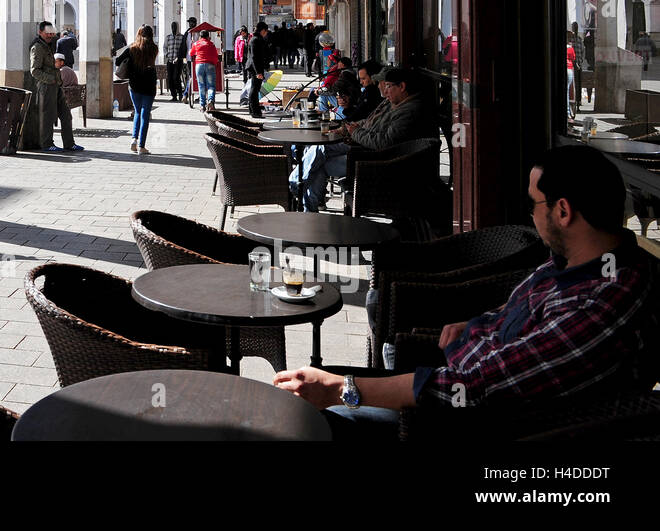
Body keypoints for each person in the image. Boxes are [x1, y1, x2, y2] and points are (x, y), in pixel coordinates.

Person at [275, 145, 660, 441]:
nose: (530, 214)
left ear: (563, 211)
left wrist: (341, 388)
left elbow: (470, 388)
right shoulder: (579, 260)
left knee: (298, 420)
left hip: (458, 424)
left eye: (533, 203)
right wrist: (472, 326)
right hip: (453, 383)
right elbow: (510, 318)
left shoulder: (601, 303)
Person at [289, 66, 438, 212]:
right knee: (319, 149)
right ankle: (308, 207)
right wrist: (350, 127)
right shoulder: (393, 102)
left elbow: (383, 143)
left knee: (319, 158)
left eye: (388, 86)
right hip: (361, 146)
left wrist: (355, 132)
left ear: (402, 87)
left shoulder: (409, 111)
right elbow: (368, 122)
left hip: (372, 160)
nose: (385, 90)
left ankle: (299, 192)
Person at [28, 21, 83, 153]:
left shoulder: (50, 44)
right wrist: (51, 79)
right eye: (47, 33)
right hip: (46, 86)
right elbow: (34, 70)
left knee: (66, 115)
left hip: (56, 85)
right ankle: (47, 144)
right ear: (40, 32)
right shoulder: (38, 47)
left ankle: (69, 143)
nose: (50, 35)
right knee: (48, 116)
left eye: (51, 33)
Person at [117, 25, 158, 155]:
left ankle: (134, 140)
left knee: (137, 112)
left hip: (134, 86)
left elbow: (118, 61)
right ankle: (142, 146)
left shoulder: (132, 49)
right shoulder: (154, 49)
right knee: (145, 114)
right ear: (151, 35)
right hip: (149, 85)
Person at [189, 29, 221, 111]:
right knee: (211, 86)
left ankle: (202, 105)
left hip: (199, 66)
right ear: (208, 37)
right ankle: (210, 101)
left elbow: (191, 53)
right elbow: (215, 56)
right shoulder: (211, 44)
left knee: (201, 86)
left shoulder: (196, 43)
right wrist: (214, 63)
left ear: (200, 36)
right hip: (210, 65)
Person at [246, 22, 271, 118]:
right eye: (266, 31)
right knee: (254, 90)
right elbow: (254, 57)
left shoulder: (256, 39)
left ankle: (253, 110)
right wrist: (258, 72)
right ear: (262, 30)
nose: (266, 33)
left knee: (255, 89)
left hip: (256, 68)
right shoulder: (255, 40)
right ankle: (255, 111)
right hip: (255, 68)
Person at [163, 21, 184, 103]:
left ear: (177, 27)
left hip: (178, 61)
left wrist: (179, 57)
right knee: (170, 78)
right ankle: (174, 96)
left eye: (175, 26)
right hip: (170, 60)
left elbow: (183, 49)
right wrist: (166, 54)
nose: (173, 28)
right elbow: (164, 47)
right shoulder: (168, 37)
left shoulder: (181, 37)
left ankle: (180, 94)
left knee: (176, 77)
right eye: (172, 26)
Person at [181, 17, 199, 103]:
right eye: (189, 22)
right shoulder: (187, 33)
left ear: (195, 23)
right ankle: (186, 94)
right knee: (192, 76)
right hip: (189, 58)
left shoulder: (199, 33)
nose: (190, 24)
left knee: (195, 76)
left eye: (192, 22)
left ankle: (186, 94)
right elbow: (183, 45)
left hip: (198, 58)